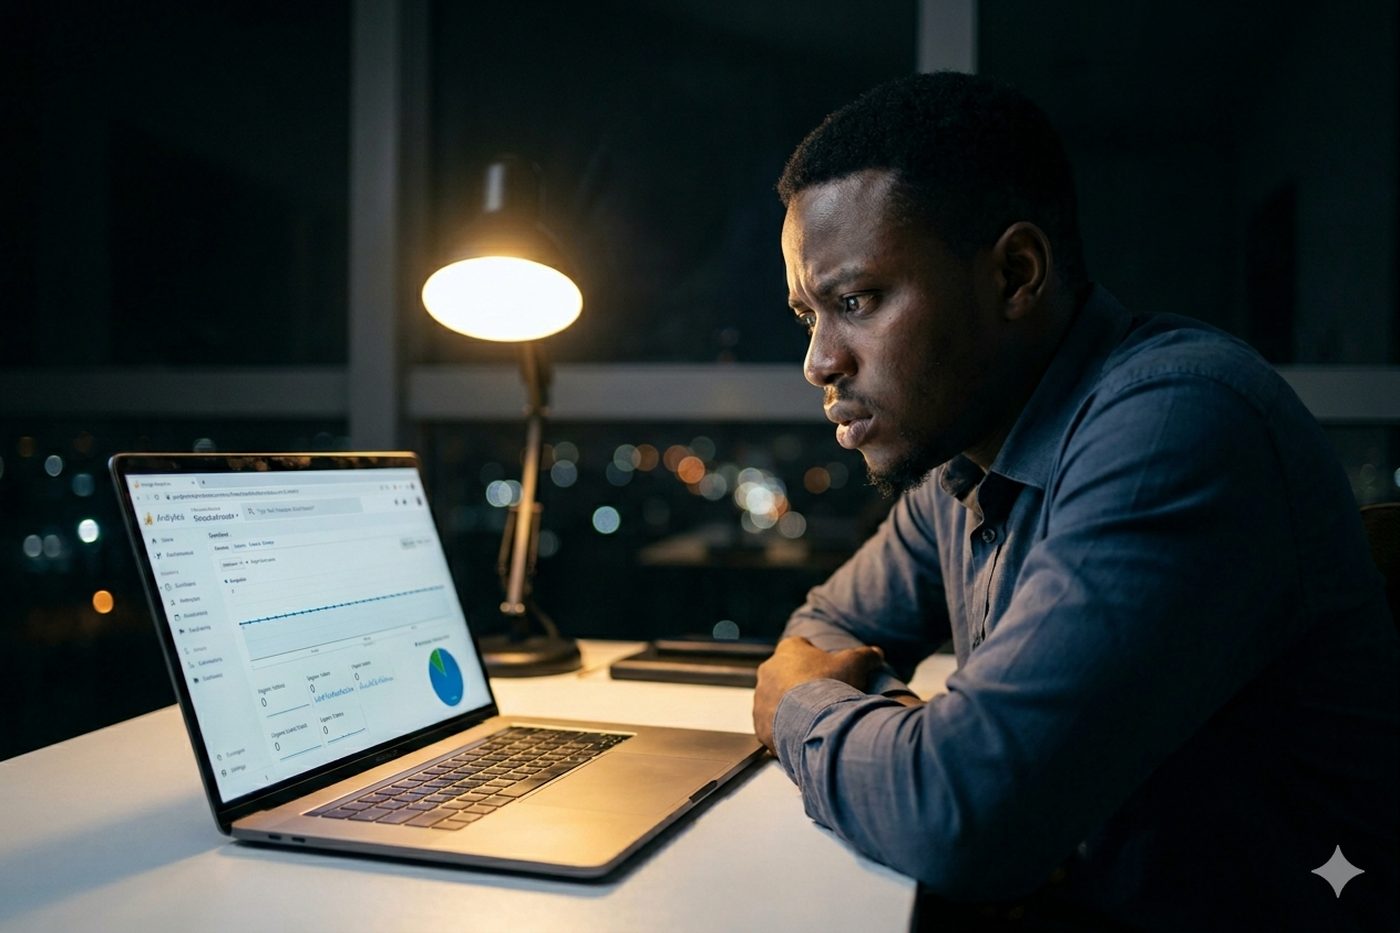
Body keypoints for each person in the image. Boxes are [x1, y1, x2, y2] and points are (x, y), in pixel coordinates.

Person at [752, 71, 1399, 931]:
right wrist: (909, 748)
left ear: (1016, 273)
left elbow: (961, 814)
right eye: (809, 316)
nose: (820, 362)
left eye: (857, 301)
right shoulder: (966, 455)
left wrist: (804, 709)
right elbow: (826, 627)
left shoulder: (1179, 426)